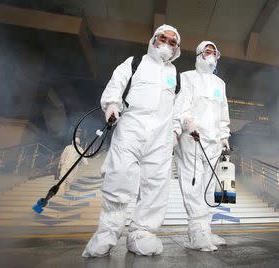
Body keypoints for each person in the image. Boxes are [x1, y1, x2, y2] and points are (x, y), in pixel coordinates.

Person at [82, 24, 181, 257]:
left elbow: (177, 109)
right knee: (118, 179)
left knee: (155, 187)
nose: (166, 44)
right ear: (153, 39)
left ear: (177, 48)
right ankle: (106, 235)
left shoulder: (175, 75)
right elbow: (115, 87)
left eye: (172, 42)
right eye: (163, 38)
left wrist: (175, 132)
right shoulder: (135, 63)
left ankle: (142, 235)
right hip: (130, 131)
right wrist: (112, 106)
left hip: (160, 139)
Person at [173, 41, 230, 251]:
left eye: (214, 52)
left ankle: (206, 230)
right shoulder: (187, 77)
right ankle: (196, 233)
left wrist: (224, 135)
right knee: (193, 184)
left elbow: (223, 111)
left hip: (213, 141)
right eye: (207, 52)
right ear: (199, 55)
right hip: (192, 138)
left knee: (207, 186)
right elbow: (182, 103)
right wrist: (187, 122)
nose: (211, 55)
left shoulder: (219, 83)